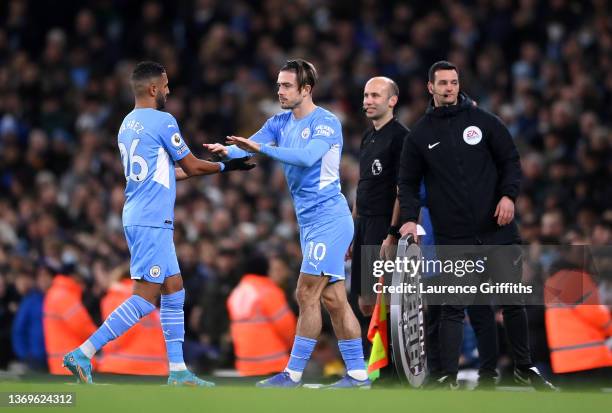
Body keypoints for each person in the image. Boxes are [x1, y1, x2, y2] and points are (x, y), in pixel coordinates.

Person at [63, 61, 254, 386]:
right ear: (153, 89)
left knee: (174, 290)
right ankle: (83, 352)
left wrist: (214, 167)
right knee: (145, 296)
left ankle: (178, 371)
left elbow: (169, 172)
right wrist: (225, 167)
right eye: (165, 86)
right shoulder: (163, 121)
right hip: (150, 219)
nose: (168, 90)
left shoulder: (127, 124)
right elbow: (191, 166)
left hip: (143, 214)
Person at [205, 59, 369, 388]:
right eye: (278, 84)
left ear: (306, 89)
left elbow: (307, 157)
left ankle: (291, 375)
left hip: (330, 218)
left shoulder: (326, 123)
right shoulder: (279, 122)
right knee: (334, 300)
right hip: (310, 223)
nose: (279, 90)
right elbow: (246, 148)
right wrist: (225, 152)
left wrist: (261, 148)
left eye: (286, 86)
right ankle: (358, 375)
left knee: (305, 293)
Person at [398, 60, 556, 390]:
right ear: (431, 88)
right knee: (454, 307)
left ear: (459, 84)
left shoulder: (485, 122)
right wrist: (410, 220)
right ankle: (447, 378)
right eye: (442, 83)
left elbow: (511, 162)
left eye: (453, 82)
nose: (449, 88)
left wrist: (509, 197)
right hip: (455, 236)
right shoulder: (420, 135)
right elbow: (408, 184)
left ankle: (524, 368)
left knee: (512, 301)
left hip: (498, 231)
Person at [350, 76, 406, 315]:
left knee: (382, 300)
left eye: (375, 96)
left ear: (392, 101)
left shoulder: (401, 137)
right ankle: (376, 351)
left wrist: (392, 234)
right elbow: (362, 184)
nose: (368, 101)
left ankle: (389, 352)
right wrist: (352, 231)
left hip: (383, 225)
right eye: (366, 96)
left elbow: (403, 190)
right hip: (363, 224)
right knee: (365, 304)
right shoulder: (367, 136)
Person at [227, 254, 296, 376]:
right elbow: (287, 328)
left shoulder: (236, 293)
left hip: (245, 365)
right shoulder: (268, 291)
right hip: (273, 363)